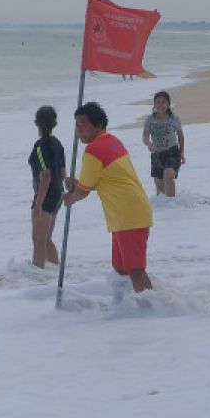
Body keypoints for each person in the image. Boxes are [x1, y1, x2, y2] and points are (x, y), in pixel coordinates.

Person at [62, 102, 154, 293]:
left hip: (129, 214)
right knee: (120, 268)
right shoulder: (112, 140)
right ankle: (124, 307)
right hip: (127, 212)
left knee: (135, 270)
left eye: (84, 125)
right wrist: (79, 185)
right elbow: (104, 179)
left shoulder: (93, 150)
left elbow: (84, 191)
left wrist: (70, 198)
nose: (79, 130)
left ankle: (151, 313)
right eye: (77, 125)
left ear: (98, 126)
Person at [29, 105, 66, 268]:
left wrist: (38, 204)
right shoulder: (58, 143)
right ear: (54, 124)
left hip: (45, 195)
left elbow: (45, 176)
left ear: (36, 123)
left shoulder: (40, 146)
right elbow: (63, 173)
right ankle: (54, 270)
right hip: (57, 193)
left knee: (38, 240)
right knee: (46, 238)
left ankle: (38, 274)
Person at [142, 90, 185, 197]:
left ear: (168, 104)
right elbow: (145, 136)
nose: (161, 105)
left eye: (163, 102)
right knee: (159, 186)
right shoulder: (149, 119)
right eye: (158, 102)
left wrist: (182, 153)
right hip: (156, 154)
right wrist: (149, 144)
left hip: (172, 152)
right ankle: (163, 209)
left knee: (168, 174)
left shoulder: (174, 118)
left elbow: (180, 136)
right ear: (154, 104)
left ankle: (172, 205)